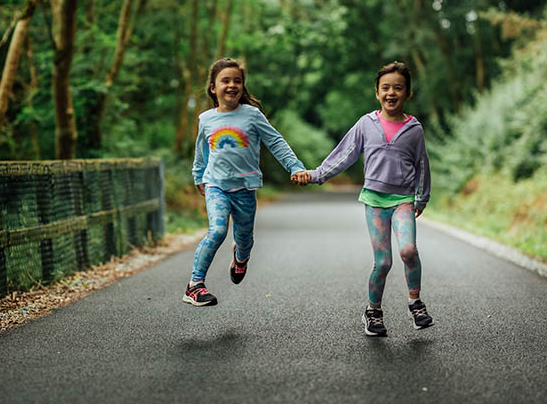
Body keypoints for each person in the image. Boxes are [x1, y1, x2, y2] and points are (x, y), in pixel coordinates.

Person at [292, 61, 433, 336]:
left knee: (408, 251)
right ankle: (373, 312)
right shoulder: (366, 124)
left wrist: (421, 197)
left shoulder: (414, 129)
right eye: (386, 88)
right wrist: (316, 175)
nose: (392, 93)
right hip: (375, 200)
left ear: (408, 93)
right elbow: (344, 154)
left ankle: (415, 304)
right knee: (382, 262)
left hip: (403, 199)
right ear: (377, 92)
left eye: (398, 88)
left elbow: (422, 165)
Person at [183, 57, 308, 307]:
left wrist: (295, 167)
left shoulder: (252, 115)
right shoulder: (206, 119)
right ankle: (195, 285)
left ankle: (240, 258)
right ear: (213, 87)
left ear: (243, 86)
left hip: (245, 188)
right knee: (217, 230)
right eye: (225, 81)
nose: (231, 85)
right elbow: (202, 152)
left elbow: (276, 142)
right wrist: (199, 176)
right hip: (216, 185)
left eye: (237, 81)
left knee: (245, 239)